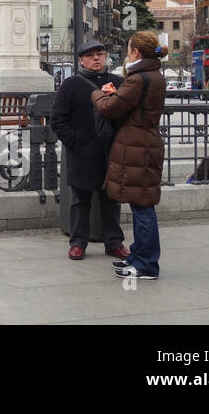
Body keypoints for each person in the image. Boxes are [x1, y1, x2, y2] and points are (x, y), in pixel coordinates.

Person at [93, 30, 167, 282]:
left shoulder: (138, 79)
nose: (127, 52)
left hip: (138, 146)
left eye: (128, 48)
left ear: (135, 51)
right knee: (141, 204)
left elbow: (110, 108)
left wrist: (99, 93)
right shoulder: (153, 75)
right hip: (145, 143)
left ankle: (146, 264)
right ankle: (139, 256)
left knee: (142, 206)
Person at [50, 41, 129, 261]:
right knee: (80, 200)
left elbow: (128, 115)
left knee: (111, 200)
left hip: (111, 151)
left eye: (100, 54)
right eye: (91, 55)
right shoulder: (71, 85)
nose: (97, 59)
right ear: (81, 60)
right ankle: (78, 243)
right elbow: (58, 119)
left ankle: (114, 242)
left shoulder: (118, 83)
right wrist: (73, 142)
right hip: (82, 152)